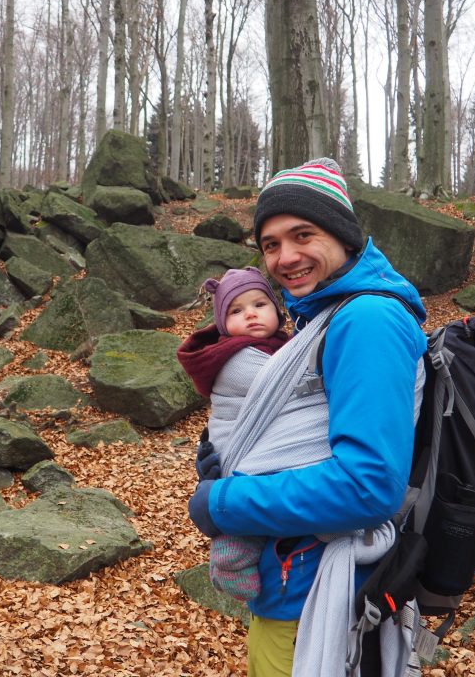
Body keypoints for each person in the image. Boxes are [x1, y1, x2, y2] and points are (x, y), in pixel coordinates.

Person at [186, 158, 428, 677]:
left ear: (342, 235)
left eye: (302, 235)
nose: (285, 257)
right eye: (271, 244)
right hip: (294, 578)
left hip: (315, 589)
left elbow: (367, 487)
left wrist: (221, 501)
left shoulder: (366, 319)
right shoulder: (323, 317)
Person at [176, 267, 289, 601]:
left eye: (259, 304)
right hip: (234, 452)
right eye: (236, 311)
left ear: (277, 311)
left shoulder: (278, 346)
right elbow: (291, 384)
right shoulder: (237, 358)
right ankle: (231, 557)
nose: (251, 314)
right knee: (250, 507)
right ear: (224, 325)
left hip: (256, 445)